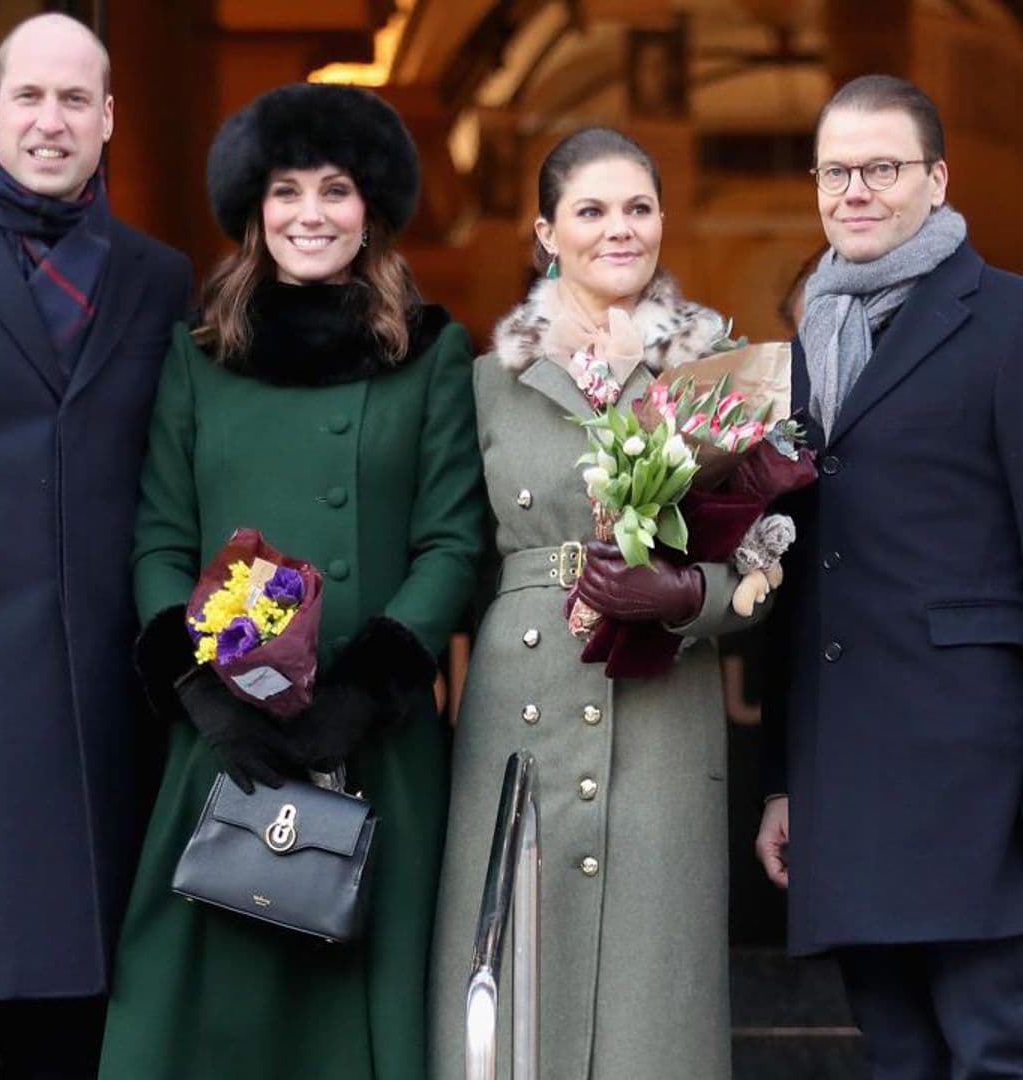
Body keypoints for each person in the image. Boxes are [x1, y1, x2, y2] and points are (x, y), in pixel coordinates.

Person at [96, 83, 485, 1080]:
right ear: (252, 210)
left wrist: (363, 690)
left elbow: (452, 542)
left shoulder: (433, 354)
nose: (310, 213)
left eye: (336, 189)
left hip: (375, 746)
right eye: (285, 190)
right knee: (209, 1025)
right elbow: (158, 542)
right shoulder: (197, 359)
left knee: (354, 1025)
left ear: (373, 209)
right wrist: (198, 693)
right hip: (224, 745)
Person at [430, 126, 769, 1080]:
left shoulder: (719, 371)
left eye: (639, 208)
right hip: (517, 706)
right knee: (508, 992)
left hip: (663, 714)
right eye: (591, 210)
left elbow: (763, 563)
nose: (619, 229)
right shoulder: (486, 384)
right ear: (546, 231)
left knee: (649, 1009)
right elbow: (447, 553)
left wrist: (687, 593)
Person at [756, 74, 1023, 1079]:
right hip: (847, 768)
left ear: (938, 180)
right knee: (898, 1057)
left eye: (882, 168)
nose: (855, 190)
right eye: (836, 171)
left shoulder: (1007, 322)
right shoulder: (801, 350)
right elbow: (798, 577)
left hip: (978, 770)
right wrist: (782, 780)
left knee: (995, 1049)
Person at [0, 13, 191, 1077]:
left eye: (75, 100)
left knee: (80, 1027)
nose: (51, 121)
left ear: (108, 120)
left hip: (101, 705)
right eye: (29, 97)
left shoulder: (159, 278)